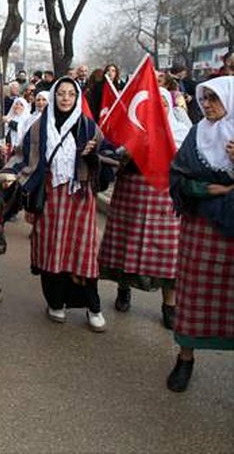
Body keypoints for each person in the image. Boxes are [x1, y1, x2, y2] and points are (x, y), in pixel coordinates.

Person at [16, 77, 108, 332]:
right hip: (50, 198)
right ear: (54, 97)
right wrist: (9, 175)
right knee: (51, 250)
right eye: (61, 94)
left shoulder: (89, 127)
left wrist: (93, 155)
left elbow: (107, 157)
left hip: (80, 197)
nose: (66, 98)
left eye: (71, 94)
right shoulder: (38, 127)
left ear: (77, 98)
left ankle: (93, 306)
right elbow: (21, 156)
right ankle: (56, 302)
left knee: (83, 251)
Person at [98, 88, 191, 329]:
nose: (159, 108)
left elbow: (189, 163)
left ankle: (169, 305)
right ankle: (123, 289)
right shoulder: (134, 129)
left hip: (165, 196)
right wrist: (128, 150)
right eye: (154, 103)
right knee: (126, 243)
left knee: (169, 251)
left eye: (163, 103)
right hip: (132, 191)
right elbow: (114, 153)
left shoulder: (182, 132)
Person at [165, 76, 234, 392]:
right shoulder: (195, 135)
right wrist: (206, 188)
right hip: (201, 229)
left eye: (213, 99)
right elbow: (177, 177)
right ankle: (185, 358)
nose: (206, 105)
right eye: (203, 99)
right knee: (193, 293)